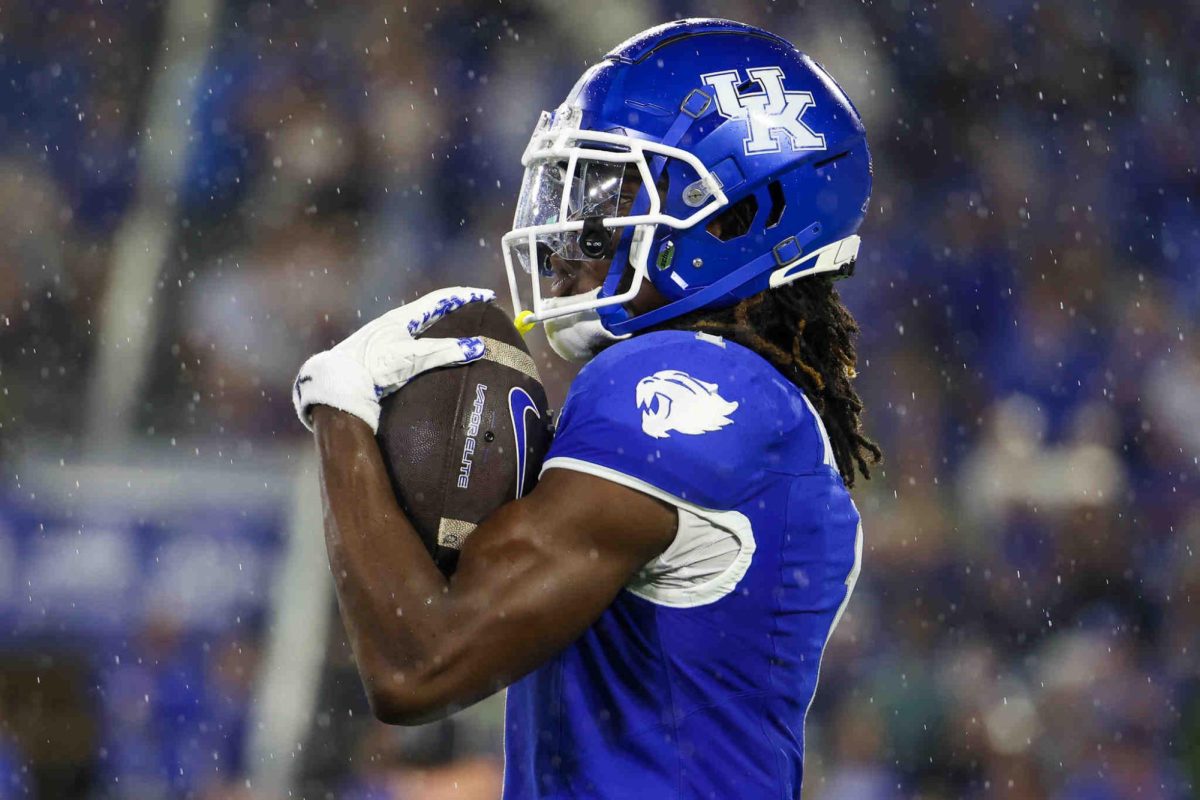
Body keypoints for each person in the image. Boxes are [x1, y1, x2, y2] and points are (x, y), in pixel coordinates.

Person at [293, 18, 881, 798]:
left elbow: (419, 665)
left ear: (737, 214)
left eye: (609, 196)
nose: (571, 236)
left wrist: (341, 408)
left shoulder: (686, 382)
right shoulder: (763, 414)